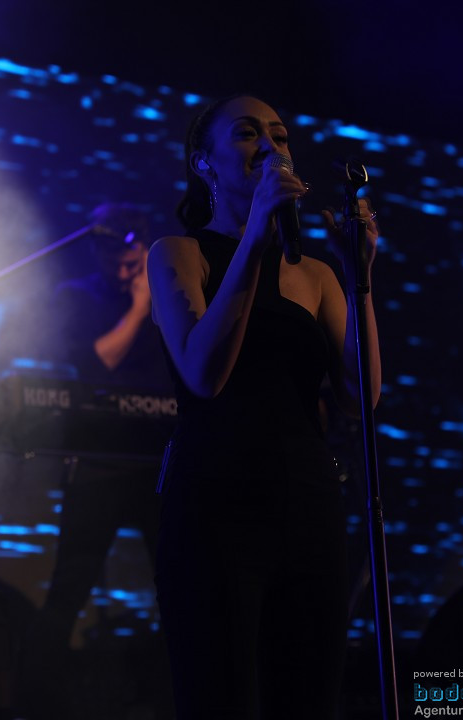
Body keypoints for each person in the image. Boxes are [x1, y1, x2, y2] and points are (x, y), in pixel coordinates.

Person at [147, 95, 381, 719]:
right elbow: (205, 373)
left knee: (305, 700)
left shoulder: (317, 278)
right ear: (205, 163)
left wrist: (358, 280)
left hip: (307, 507)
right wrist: (254, 235)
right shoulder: (178, 254)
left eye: (280, 135)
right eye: (249, 135)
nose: (272, 146)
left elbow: (363, 396)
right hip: (213, 508)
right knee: (219, 697)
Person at [19, 203, 176, 718]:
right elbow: (96, 365)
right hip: (99, 462)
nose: (126, 269)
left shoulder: (167, 298)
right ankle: (40, 703)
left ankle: (172, 697)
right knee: (70, 587)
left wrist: (156, 306)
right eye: (115, 257)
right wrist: (136, 310)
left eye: (134, 258)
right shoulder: (78, 296)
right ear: (97, 249)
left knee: (180, 591)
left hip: (159, 464)